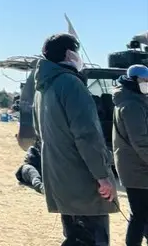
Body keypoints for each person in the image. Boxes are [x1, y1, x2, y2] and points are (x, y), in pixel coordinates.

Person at [33, 33, 117, 246]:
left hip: (60, 181)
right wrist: (102, 176)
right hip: (83, 184)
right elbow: (87, 135)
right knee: (91, 240)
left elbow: (39, 133)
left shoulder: (42, 88)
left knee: (75, 238)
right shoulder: (70, 83)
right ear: (70, 53)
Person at [112, 64, 148, 246]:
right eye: (144, 80)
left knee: (142, 214)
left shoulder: (134, 100)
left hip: (135, 167)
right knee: (139, 215)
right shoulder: (131, 105)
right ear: (134, 81)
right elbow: (141, 141)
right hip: (137, 169)